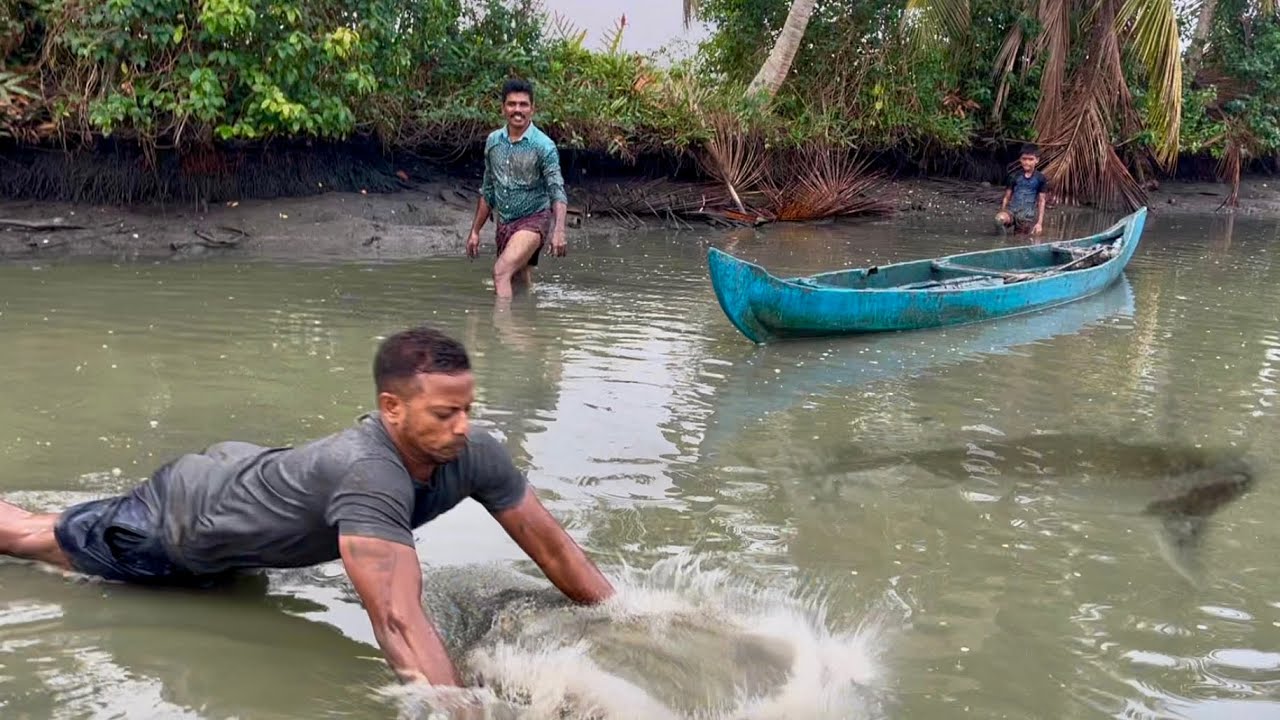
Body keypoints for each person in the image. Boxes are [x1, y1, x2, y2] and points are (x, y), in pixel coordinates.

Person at [0, 325, 615, 687]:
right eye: (443, 414)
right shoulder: (370, 475)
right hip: (177, 524)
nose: (461, 428)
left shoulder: (476, 452)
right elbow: (399, 620)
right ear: (391, 408)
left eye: (467, 410)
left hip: (239, 483)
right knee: (32, 538)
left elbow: (556, 550)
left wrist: (627, 622)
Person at [466, 78, 569, 298]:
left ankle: (501, 328)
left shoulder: (543, 146)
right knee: (519, 281)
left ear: (532, 108)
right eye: (512, 104)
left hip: (533, 221)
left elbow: (556, 190)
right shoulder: (493, 142)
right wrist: (475, 231)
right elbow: (488, 190)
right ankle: (525, 325)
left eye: (523, 104)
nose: (517, 110)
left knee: (500, 272)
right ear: (503, 108)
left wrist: (559, 230)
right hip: (505, 224)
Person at [995, 143, 1049, 235]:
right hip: (1011, 212)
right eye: (1024, 159)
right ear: (1020, 159)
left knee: (1019, 240)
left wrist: (1039, 223)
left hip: (1026, 217)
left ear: (1037, 160)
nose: (1027, 162)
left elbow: (1041, 201)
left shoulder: (1040, 179)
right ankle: (1000, 242)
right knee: (998, 220)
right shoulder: (1014, 176)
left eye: (1030, 159)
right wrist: (1003, 210)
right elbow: (1007, 197)